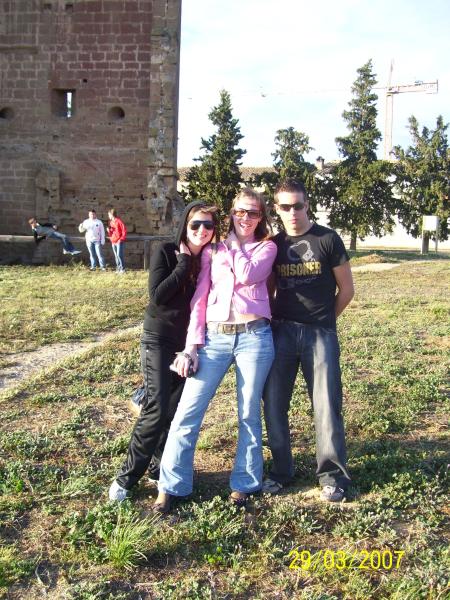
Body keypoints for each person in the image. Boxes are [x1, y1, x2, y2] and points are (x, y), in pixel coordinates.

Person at [154, 188, 277, 513]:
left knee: (248, 413)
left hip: (254, 337)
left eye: (253, 213)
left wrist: (234, 245)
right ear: (232, 213)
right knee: (188, 411)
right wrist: (191, 347)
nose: (245, 218)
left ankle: (244, 483)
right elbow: (200, 299)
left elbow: (249, 274)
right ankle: (170, 485)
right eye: (240, 212)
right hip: (215, 338)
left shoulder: (267, 247)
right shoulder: (213, 251)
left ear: (261, 217)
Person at [109, 201, 219, 501]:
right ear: (185, 225)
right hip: (158, 339)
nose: (201, 230)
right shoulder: (167, 251)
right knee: (156, 410)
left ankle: (160, 469)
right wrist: (183, 264)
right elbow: (158, 296)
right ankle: (126, 478)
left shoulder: (210, 260)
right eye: (195, 224)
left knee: (172, 412)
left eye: (208, 225)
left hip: (187, 346)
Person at [262, 179, 354, 502]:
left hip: (320, 333)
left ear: (307, 205)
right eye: (285, 206)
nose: (293, 212)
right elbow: (269, 292)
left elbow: (347, 290)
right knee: (274, 403)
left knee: (327, 405)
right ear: (277, 209)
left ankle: (332, 476)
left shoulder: (328, 239)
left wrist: (325, 322)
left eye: (298, 205)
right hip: (282, 333)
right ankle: (281, 471)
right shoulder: (273, 245)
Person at [107, 208, 127, 273]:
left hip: (119, 241)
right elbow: (112, 232)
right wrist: (109, 231)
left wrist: (121, 239)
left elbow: (124, 231)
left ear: (112, 215)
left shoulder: (119, 221)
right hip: (113, 241)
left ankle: (122, 269)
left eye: (109, 215)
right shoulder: (111, 222)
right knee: (116, 256)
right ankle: (118, 268)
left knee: (119, 255)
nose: (108, 216)